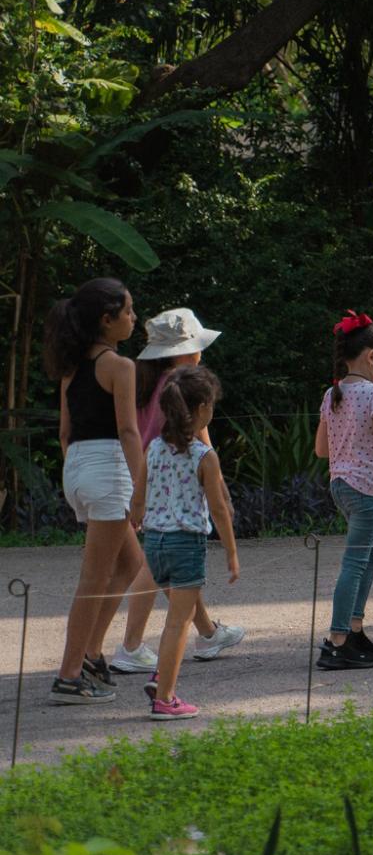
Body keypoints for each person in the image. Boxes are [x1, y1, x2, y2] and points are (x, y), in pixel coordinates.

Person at [107, 308, 244, 675]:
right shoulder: (184, 387)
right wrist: (221, 491)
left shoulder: (146, 382)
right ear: (184, 351)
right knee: (156, 564)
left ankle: (207, 632)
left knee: (171, 564)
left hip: (147, 478)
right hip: (176, 482)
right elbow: (202, 439)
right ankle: (131, 645)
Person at [45, 279, 146, 703]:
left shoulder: (72, 367)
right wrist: (142, 488)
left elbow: (65, 432)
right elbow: (127, 430)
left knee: (131, 565)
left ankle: (90, 652)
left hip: (80, 469)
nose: (134, 317)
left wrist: (78, 477)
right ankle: (69, 675)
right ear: (107, 320)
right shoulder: (120, 366)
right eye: (128, 311)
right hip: (108, 471)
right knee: (94, 579)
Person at [136, 367, 239, 718]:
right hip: (185, 545)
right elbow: (220, 510)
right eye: (211, 405)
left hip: (154, 544)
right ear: (200, 409)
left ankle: (161, 675)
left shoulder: (153, 449)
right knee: (178, 623)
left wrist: (140, 521)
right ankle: (165, 698)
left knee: (185, 610)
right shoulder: (203, 456)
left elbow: (137, 499)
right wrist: (232, 553)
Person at [313, 311, 373, 670]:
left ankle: (353, 629)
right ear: (372, 356)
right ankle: (337, 640)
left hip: (341, 487)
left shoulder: (332, 393)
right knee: (355, 561)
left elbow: (321, 450)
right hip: (368, 490)